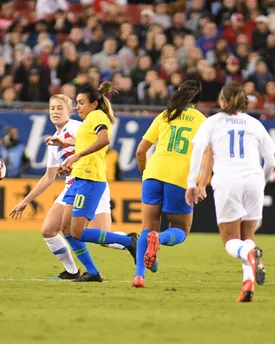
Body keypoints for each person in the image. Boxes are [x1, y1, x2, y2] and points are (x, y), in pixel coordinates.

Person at [10, 94, 126, 280]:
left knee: (103, 238)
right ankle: (72, 271)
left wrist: (68, 146)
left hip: (91, 182)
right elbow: (48, 178)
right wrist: (25, 201)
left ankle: (137, 243)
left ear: (70, 111)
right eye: (52, 108)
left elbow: (90, 142)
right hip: (72, 186)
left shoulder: (76, 126)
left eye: (59, 108)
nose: (55, 112)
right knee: (49, 230)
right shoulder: (53, 141)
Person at [186, 82, 275, 302]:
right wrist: (261, 180)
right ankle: (248, 284)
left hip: (228, 180)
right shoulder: (255, 124)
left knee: (231, 241)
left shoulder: (212, 123)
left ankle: (248, 255)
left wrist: (192, 183)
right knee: (248, 237)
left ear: (222, 101)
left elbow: (198, 151)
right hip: (254, 179)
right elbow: (272, 161)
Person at [57, 82, 137, 282]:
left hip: (90, 178)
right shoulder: (88, 120)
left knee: (76, 232)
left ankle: (128, 241)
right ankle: (92, 272)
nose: (78, 107)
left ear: (94, 104)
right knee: (65, 228)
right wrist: (66, 146)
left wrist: (77, 156)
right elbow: (86, 142)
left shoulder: (97, 116)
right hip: (79, 177)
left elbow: (104, 139)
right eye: (77, 103)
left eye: (82, 103)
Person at [132, 80, 207, 288]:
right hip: (180, 178)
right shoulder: (201, 120)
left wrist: (145, 173)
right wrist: (202, 184)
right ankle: (160, 239)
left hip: (153, 173)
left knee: (146, 227)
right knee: (181, 228)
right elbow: (210, 155)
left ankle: (139, 276)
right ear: (197, 100)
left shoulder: (164, 115)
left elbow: (140, 151)